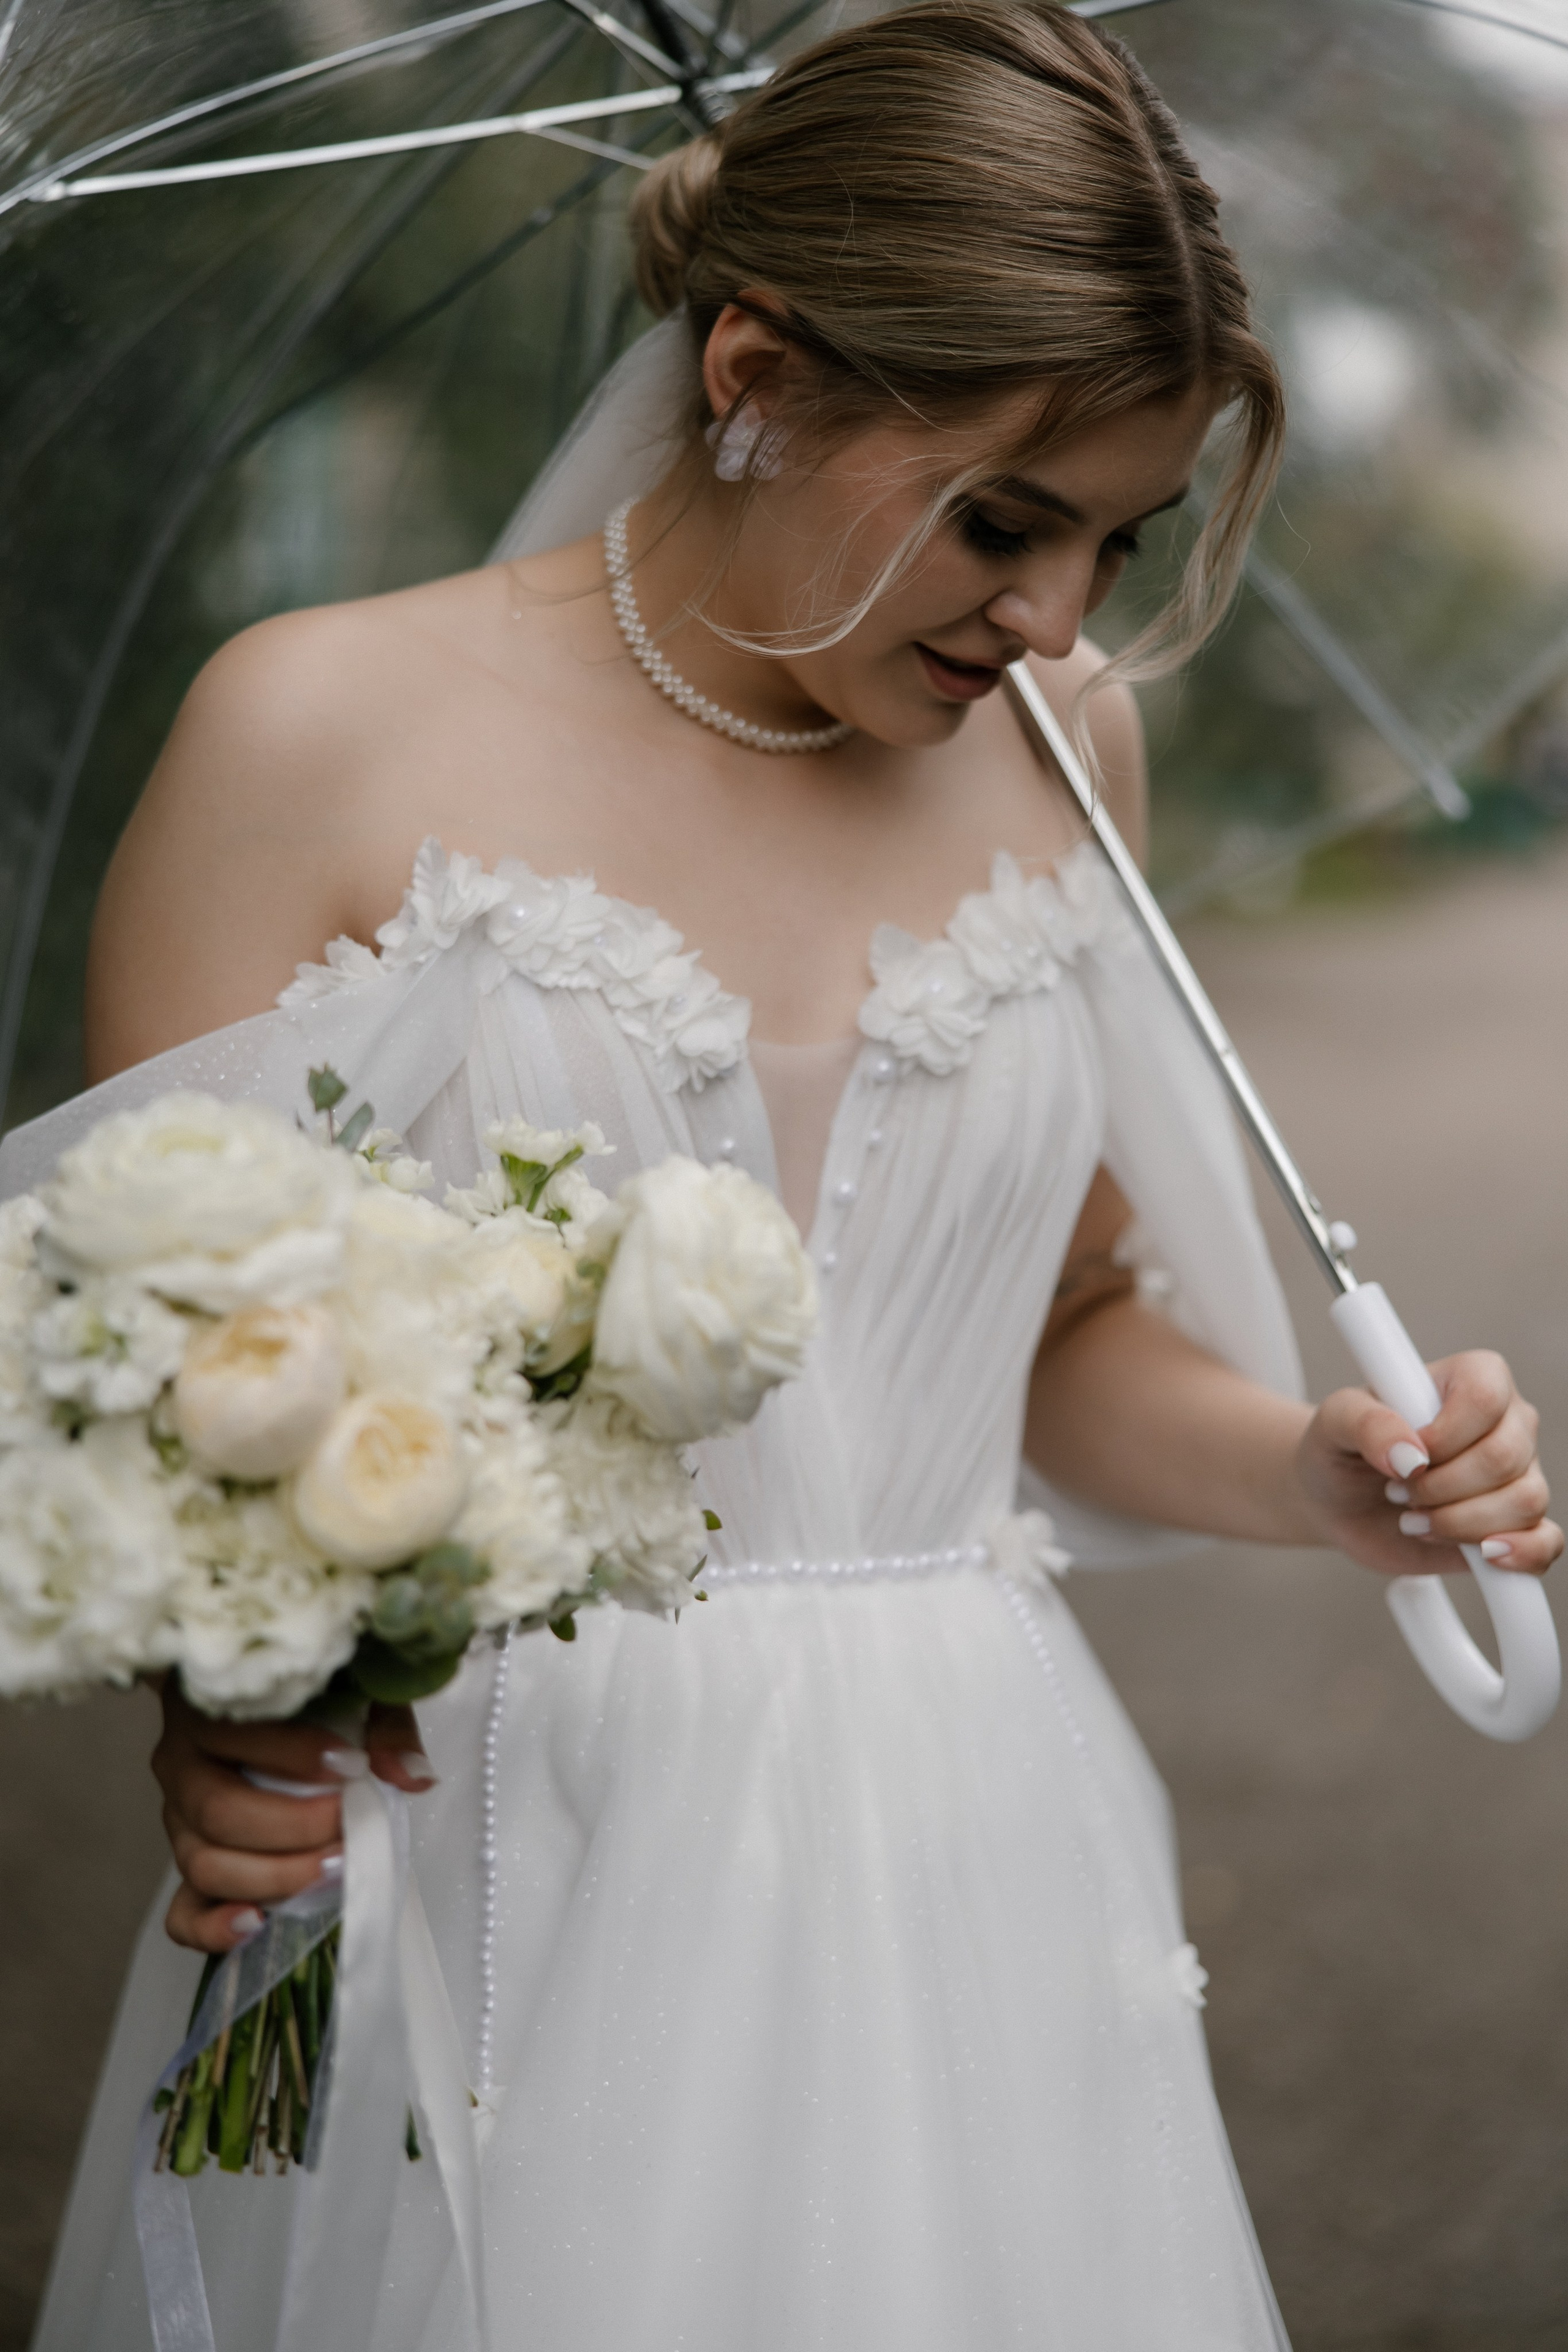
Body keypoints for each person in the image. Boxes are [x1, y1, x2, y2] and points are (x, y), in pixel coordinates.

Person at [13, 3, 1557, 2345]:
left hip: (973, 1843)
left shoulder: (1072, 751)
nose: (1058, 619)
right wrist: (219, 1708)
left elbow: (1050, 1332)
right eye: (1004, 520)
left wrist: (1315, 1472)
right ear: (754, 373)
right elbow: (145, 1385)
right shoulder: (313, 734)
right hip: (493, 1853)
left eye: (1119, 539)